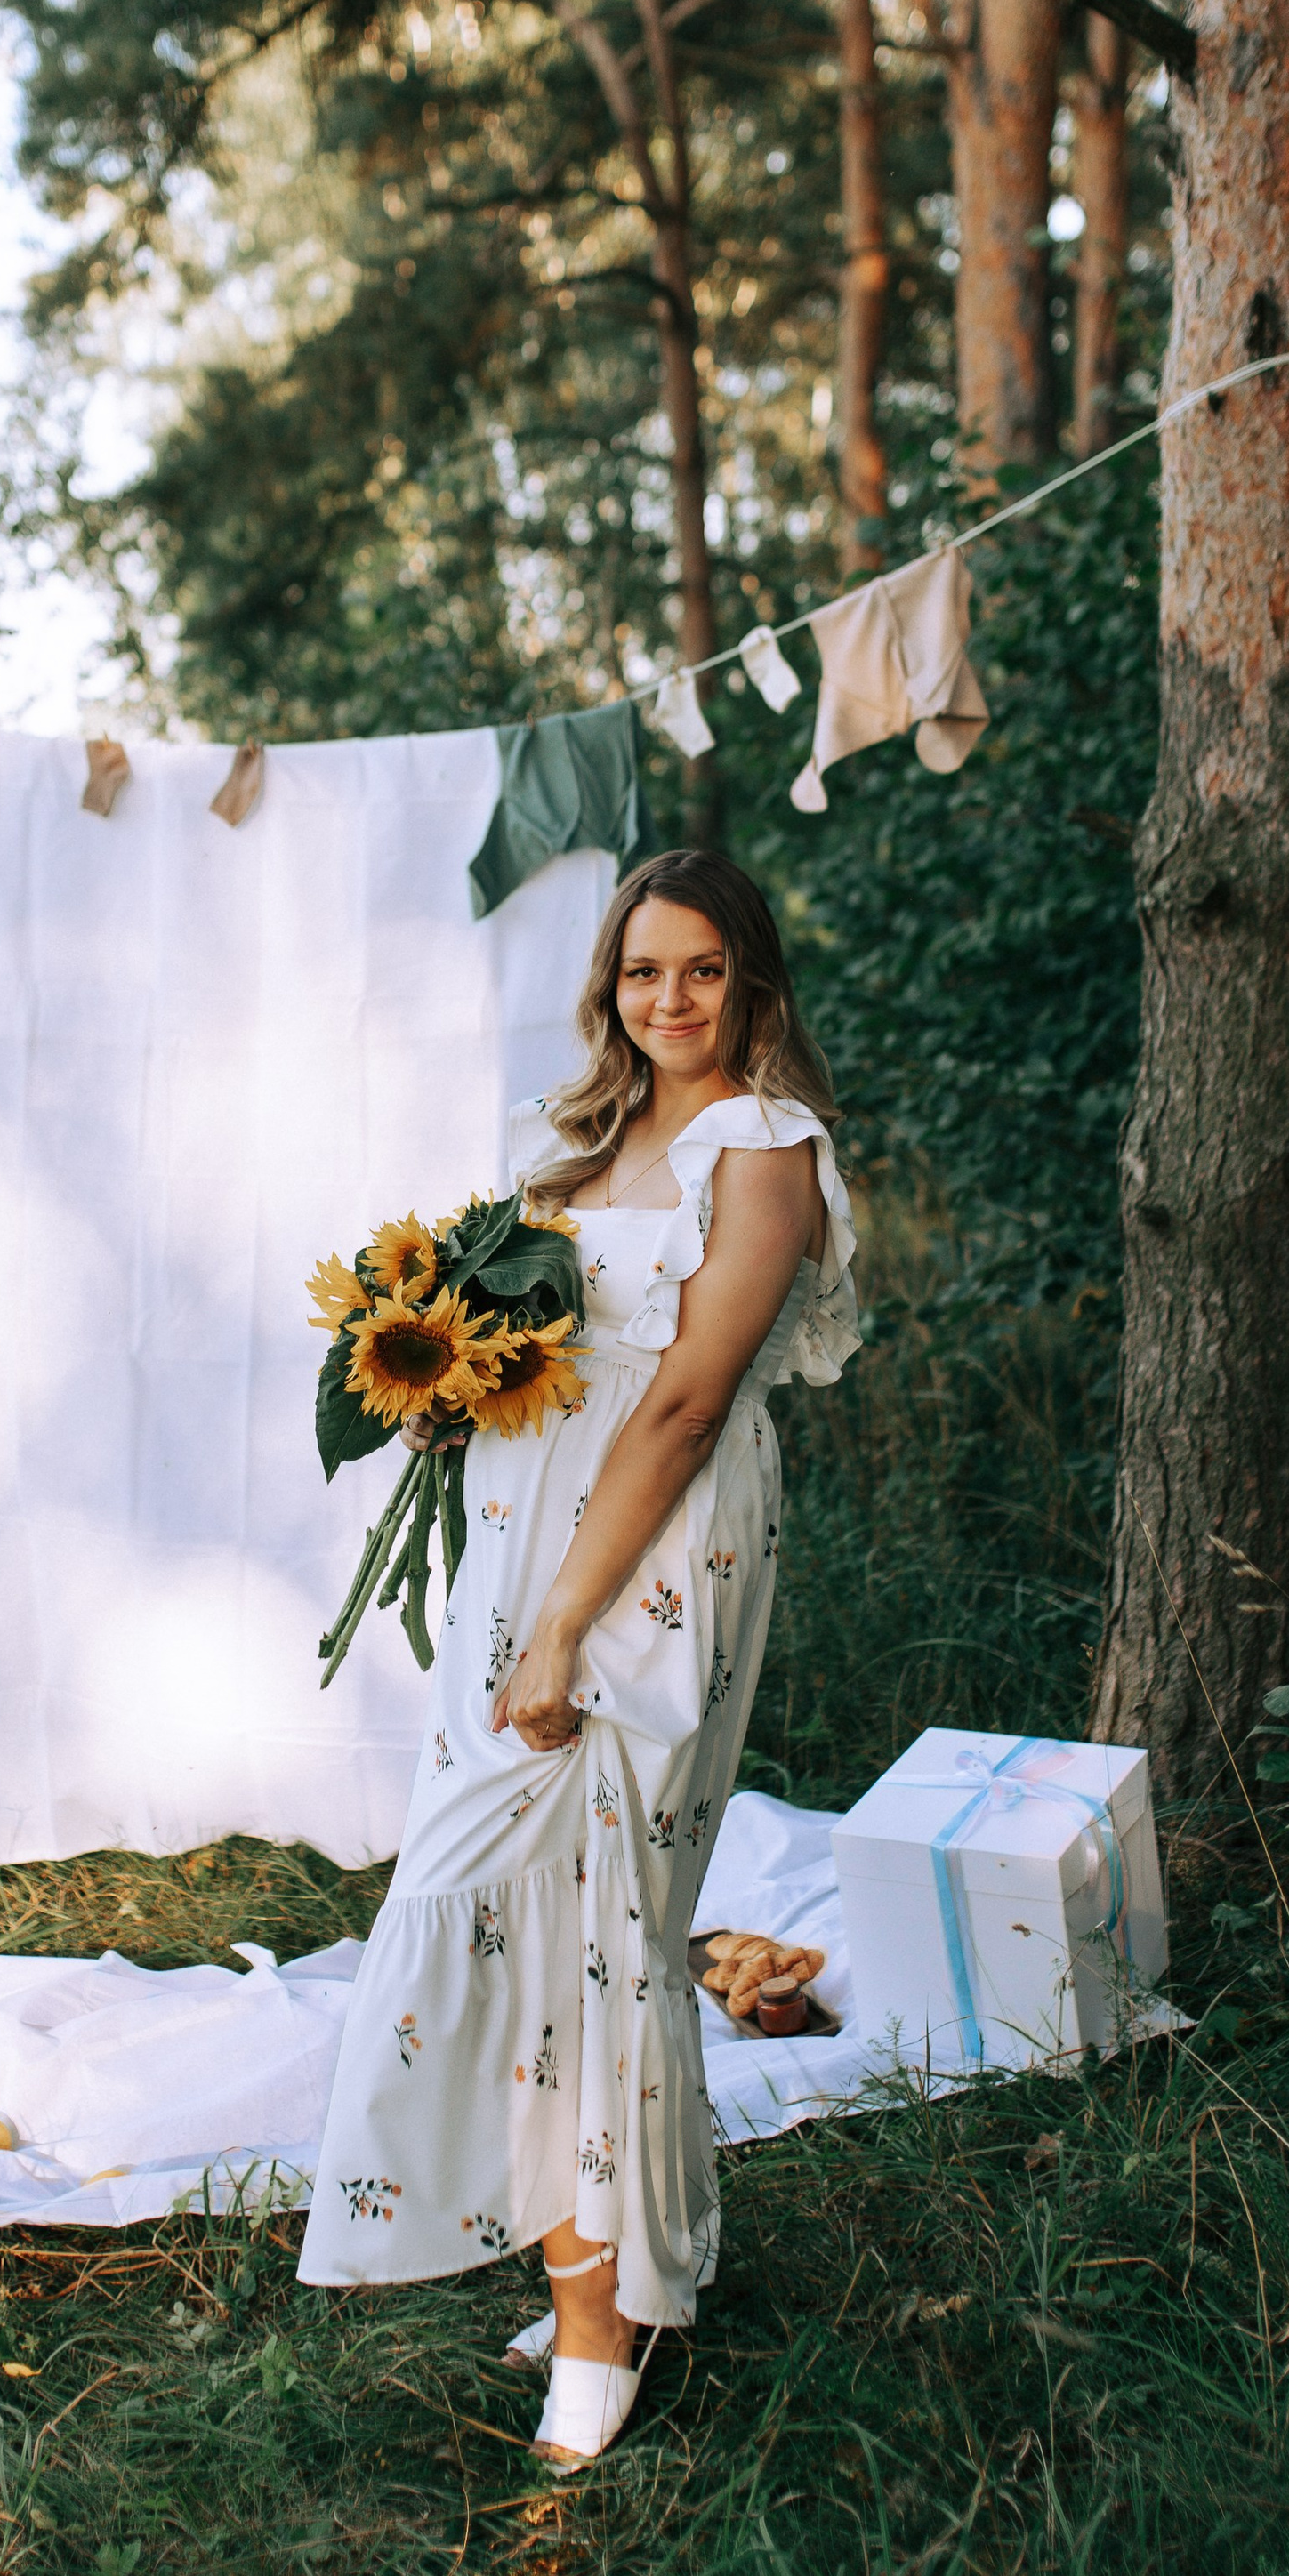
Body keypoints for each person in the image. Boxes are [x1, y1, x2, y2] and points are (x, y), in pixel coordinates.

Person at [296, 849, 859, 2464]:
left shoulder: (767, 1148)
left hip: (651, 1551)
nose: (668, 1001)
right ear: (608, 987)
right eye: (640, 973)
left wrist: (561, 1623)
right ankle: (590, 2251)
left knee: (597, 1906)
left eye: (700, 970)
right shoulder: (588, 1140)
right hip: (521, 1545)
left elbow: (683, 1400)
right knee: (487, 1896)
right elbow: (550, 1343)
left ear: (751, 979)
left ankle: (600, 2331)